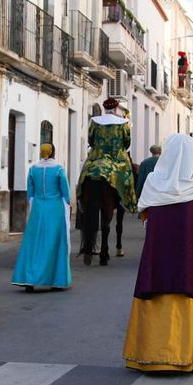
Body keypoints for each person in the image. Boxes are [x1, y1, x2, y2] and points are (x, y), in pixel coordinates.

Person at [123, 133, 193, 372]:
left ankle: (153, 355)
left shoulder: (153, 182)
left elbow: (144, 213)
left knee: (154, 289)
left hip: (159, 254)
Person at [77, 97, 137, 264]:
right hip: (116, 160)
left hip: (96, 158)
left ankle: (81, 200)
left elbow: (90, 140)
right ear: (117, 108)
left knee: (84, 174)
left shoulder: (95, 122)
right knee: (128, 175)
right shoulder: (123, 123)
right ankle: (126, 200)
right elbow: (127, 143)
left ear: (104, 108)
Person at [11, 143, 72, 291]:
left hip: (38, 209)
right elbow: (66, 193)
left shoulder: (33, 169)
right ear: (53, 153)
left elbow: (30, 193)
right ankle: (56, 280)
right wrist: (67, 205)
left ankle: (28, 279)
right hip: (55, 209)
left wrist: (35, 203)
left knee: (33, 243)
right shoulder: (59, 169)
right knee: (54, 243)